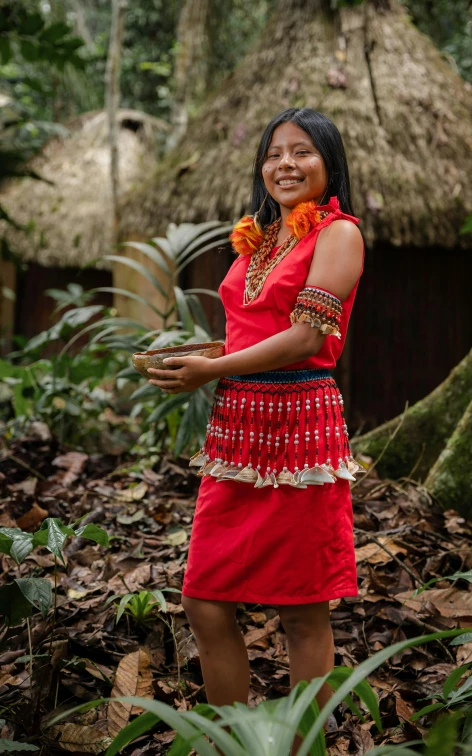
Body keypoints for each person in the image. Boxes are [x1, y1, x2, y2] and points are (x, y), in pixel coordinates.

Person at [147, 107, 365, 752]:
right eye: (274, 153)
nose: (285, 165)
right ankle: (231, 743)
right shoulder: (265, 237)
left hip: (301, 427)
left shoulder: (340, 234)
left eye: (303, 153)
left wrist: (206, 373)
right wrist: (210, 357)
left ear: (329, 165)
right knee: (204, 598)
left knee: (301, 610)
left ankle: (303, 748)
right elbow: (258, 330)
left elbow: (304, 338)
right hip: (238, 431)